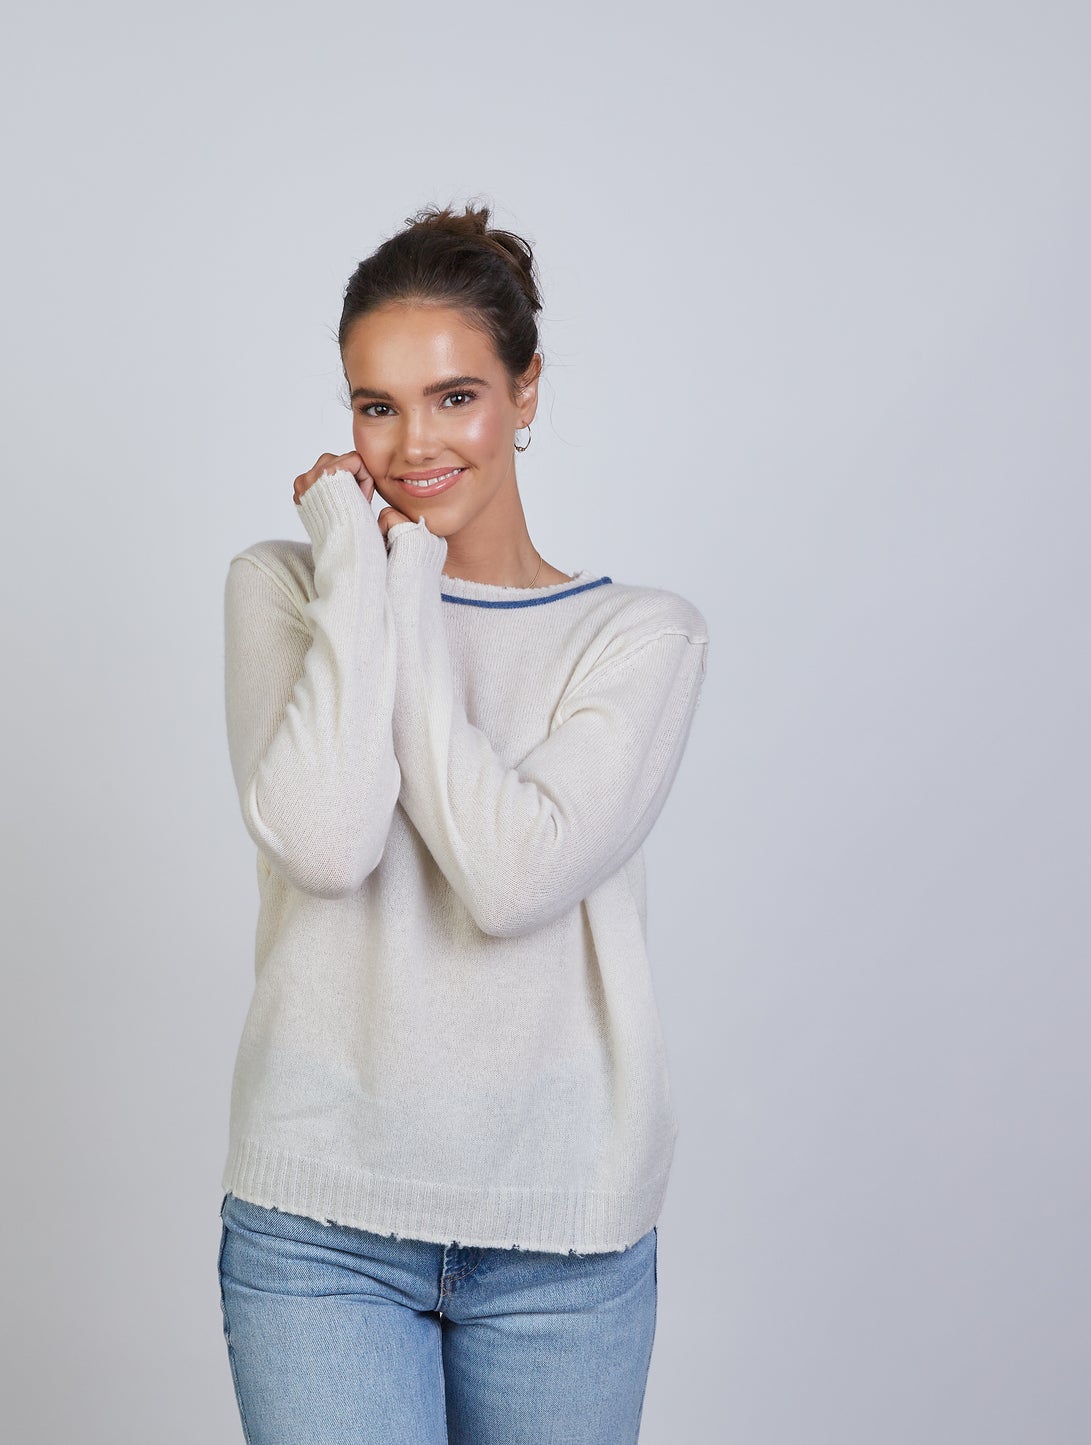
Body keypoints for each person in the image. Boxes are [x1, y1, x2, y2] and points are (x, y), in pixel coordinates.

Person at [215, 201, 710, 1444]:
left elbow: (507, 875)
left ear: (524, 391)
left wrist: (404, 583)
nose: (411, 442)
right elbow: (328, 841)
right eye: (374, 405)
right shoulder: (287, 587)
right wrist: (360, 569)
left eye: (454, 397)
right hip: (320, 1226)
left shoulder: (636, 635)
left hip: (562, 1241)